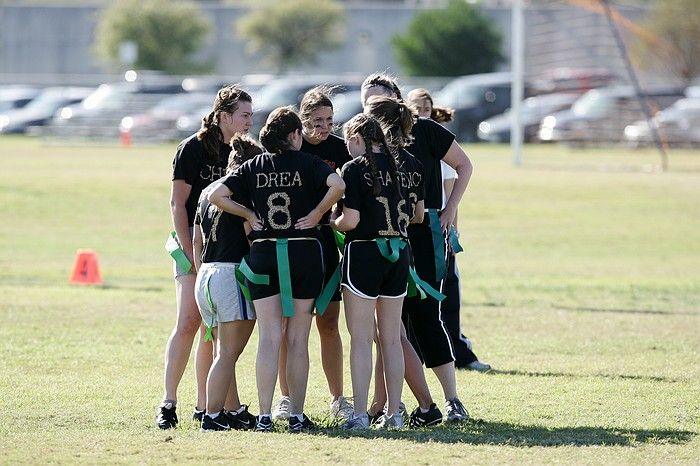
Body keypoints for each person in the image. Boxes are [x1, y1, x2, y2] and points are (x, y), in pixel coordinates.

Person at [209, 107, 345, 433]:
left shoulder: (255, 164)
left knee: (269, 337)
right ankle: (296, 415)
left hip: (265, 251)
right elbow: (337, 184)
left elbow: (216, 194)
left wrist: (247, 214)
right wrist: (316, 215)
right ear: (296, 135)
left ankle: (266, 416)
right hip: (304, 252)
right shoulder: (309, 162)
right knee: (298, 338)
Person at [362, 72, 473, 424]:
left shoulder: (424, 130)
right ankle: (393, 405)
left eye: (379, 101)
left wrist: (451, 207)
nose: (373, 109)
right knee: (390, 328)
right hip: (383, 239)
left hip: (423, 234)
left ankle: (452, 400)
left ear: (397, 99)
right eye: (367, 103)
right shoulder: (363, 137)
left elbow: (463, 164)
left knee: (425, 316)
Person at [157, 86, 253, 429]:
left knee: (213, 332)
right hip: (192, 247)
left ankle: (205, 405)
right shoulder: (193, 148)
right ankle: (168, 402)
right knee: (188, 322)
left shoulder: (244, 151)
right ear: (224, 115)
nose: (249, 121)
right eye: (244, 114)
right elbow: (177, 203)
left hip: (224, 253)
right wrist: (188, 253)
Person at [333, 113, 425, 430]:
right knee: (392, 339)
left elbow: (352, 221)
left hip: (364, 254)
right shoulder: (409, 164)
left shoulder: (355, 169)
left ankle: (359, 414)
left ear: (357, 137)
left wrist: (332, 222)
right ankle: (395, 415)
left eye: (348, 140)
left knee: (360, 339)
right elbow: (418, 215)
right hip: (399, 254)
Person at [272, 86, 353, 421]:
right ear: (302, 121)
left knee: (330, 322)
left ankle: (338, 398)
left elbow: (351, 194)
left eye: (330, 120)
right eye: (317, 120)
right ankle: (286, 398)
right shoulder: (290, 147)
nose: (325, 126)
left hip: (326, 244)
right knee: (290, 324)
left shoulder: (341, 149)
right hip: (290, 246)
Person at [406, 88, 492, 372]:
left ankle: (459, 351)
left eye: (426, 109)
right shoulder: (405, 143)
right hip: (417, 227)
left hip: (436, 227)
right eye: (416, 108)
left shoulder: (434, 141)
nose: (421, 113)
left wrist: (453, 230)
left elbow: (451, 193)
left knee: (447, 293)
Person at [193, 135, 263, 431]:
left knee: (224, 350)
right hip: (230, 275)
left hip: (205, 274)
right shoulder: (244, 191)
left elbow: (196, 239)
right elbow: (251, 236)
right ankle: (212, 415)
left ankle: (231, 409)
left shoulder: (209, 191)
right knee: (228, 353)